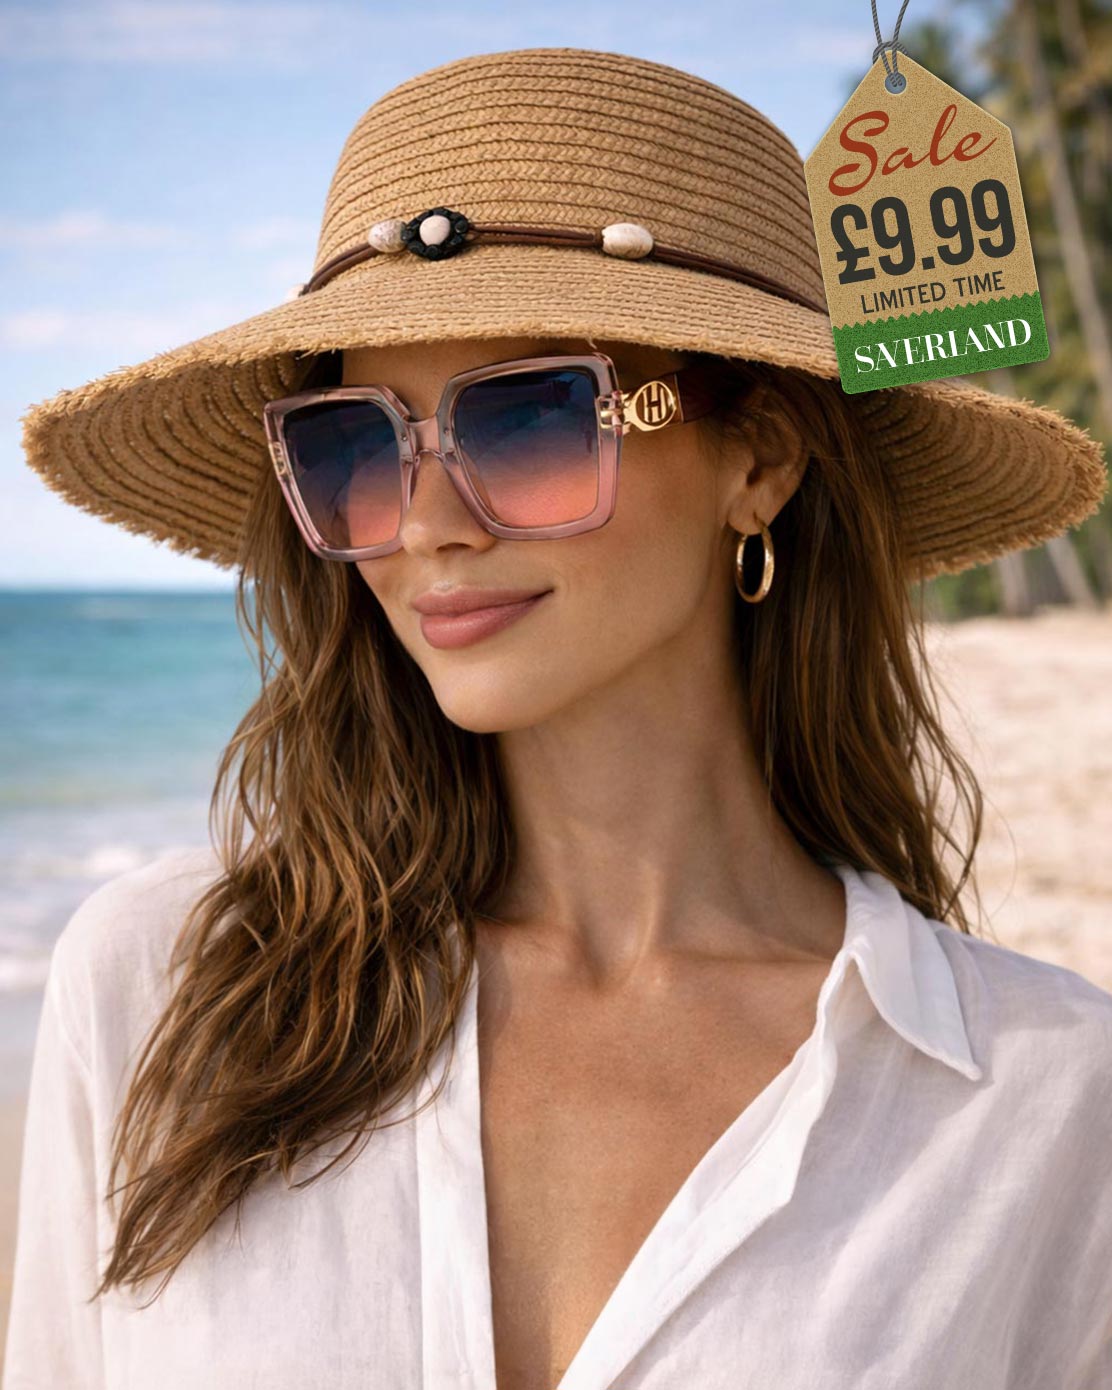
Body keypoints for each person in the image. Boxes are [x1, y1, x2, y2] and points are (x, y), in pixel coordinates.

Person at [5, 46, 1112, 1390]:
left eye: (527, 420)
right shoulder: (161, 994)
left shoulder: (1048, 1103)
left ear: (757, 460)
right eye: (356, 446)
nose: (423, 525)